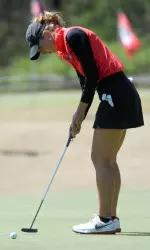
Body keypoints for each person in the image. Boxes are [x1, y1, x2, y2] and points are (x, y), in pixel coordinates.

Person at [26, 11, 144, 234]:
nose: (42, 52)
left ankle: (104, 219)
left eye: (40, 47)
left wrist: (80, 111)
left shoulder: (73, 36)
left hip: (116, 94)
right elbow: (85, 84)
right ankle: (110, 219)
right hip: (117, 95)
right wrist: (79, 116)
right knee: (107, 159)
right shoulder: (66, 51)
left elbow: (92, 74)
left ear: (46, 35)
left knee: (100, 158)